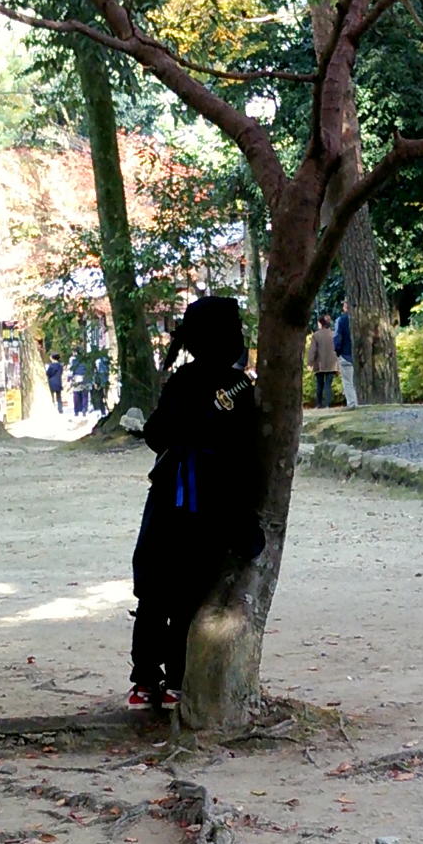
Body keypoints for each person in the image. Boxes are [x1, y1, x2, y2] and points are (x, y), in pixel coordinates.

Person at [128, 296, 264, 709]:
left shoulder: (181, 381)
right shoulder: (242, 389)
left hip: (168, 499)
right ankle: (177, 681)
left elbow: (156, 435)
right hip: (216, 504)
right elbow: (249, 455)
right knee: (191, 594)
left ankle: (143, 680)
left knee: (153, 591)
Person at [307, 313, 339, 407]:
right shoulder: (333, 334)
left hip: (320, 363)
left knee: (319, 384)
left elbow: (313, 350)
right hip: (332, 363)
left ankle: (319, 403)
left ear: (320, 324)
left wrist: (310, 362)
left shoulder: (316, 335)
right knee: (328, 384)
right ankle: (328, 404)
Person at [333, 301, 358, 408]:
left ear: (345, 307)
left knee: (347, 381)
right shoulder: (359, 319)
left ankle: (352, 403)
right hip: (359, 355)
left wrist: (337, 352)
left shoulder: (341, 320)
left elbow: (337, 338)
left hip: (346, 354)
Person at [69, 352, 89, 417]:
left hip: (76, 378)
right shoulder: (86, 360)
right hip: (85, 378)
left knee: (76, 395)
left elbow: (71, 371)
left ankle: (76, 411)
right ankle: (84, 409)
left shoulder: (73, 361)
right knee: (84, 396)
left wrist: (70, 379)